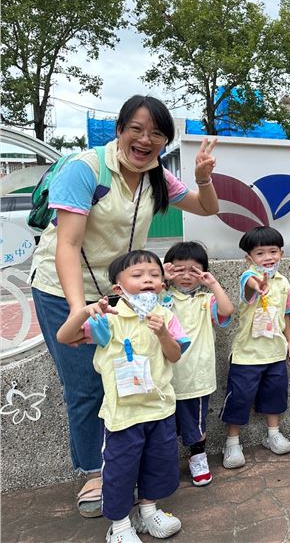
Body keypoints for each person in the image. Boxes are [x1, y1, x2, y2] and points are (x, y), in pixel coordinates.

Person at [30, 95, 219, 517]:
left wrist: (203, 178)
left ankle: (125, 463)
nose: (145, 140)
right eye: (136, 129)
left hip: (121, 292)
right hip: (63, 289)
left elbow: (208, 208)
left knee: (127, 373)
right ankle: (95, 471)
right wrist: (79, 308)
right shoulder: (86, 169)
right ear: (119, 130)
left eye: (157, 133)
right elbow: (68, 244)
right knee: (86, 385)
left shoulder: (156, 177)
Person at [56, 250, 190, 543]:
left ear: (163, 284)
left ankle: (148, 512)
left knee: (157, 463)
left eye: (154, 275)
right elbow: (64, 337)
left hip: (159, 410)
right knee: (120, 470)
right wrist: (85, 311)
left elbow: (175, 355)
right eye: (137, 275)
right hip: (123, 416)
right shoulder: (110, 319)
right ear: (118, 288)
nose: (147, 280)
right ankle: (119, 526)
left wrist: (163, 334)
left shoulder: (166, 317)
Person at [220, 227, 290, 469]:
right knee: (239, 398)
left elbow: (286, 314)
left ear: (281, 253)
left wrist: (289, 340)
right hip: (247, 355)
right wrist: (258, 285)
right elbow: (249, 286)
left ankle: (273, 434)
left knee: (275, 394)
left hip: (275, 353)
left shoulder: (283, 282)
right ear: (249, 258)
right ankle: (232, 442)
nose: (268, 257)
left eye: (273, 251)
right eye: (260, 253)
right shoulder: (248, 277)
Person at [162, 241, 234, 485]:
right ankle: (165, 464)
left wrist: (212, 284)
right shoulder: (162, 298)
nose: (185, 276)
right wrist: (161, 279)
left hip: (198, 377)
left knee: (196, 422)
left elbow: (227, 310)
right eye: (179, 269)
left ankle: (198, 458)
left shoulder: (206, 300)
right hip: (165, 377)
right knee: (164, 426)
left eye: (193, 270)